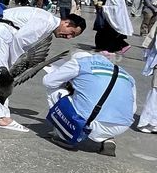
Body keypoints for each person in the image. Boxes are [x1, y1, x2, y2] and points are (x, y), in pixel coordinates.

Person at [0, 9, 86, 132]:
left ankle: (3, 117)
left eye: (72, 36)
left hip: (2, 34)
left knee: (2, 81)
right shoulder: (46, 21)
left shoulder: (47, 23)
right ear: (67, 23)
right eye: (72, 33)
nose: (69, 37)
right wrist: (15, 66)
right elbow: (20, 40)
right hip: (0, 34)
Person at [43, 24, 136, 156]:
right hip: (121, 126)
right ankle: (108, 138)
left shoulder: (80, 63)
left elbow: (48, 81)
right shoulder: (125, 74)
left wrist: (69, 83)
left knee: (55, 90)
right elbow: (133, 108)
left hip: (90, 121)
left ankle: (64, 135)